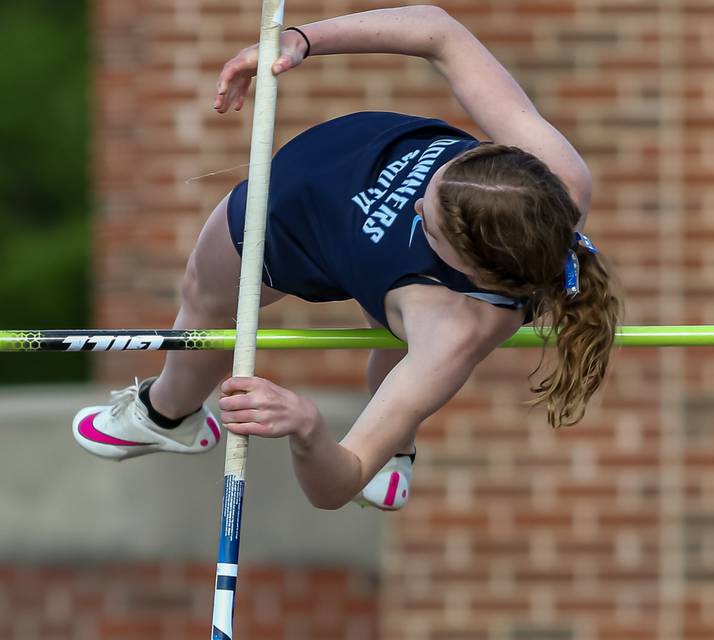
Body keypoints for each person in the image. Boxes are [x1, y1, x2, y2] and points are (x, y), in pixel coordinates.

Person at [73, 5, 622, 511]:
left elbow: (338, 484)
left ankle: (167, 414)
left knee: (215, 297)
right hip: (352, 160)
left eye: (423, 220)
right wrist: (302, 40)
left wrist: (308, 427)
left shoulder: (451, 330)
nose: (413, 197)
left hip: (297, 226)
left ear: (472, 268)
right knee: (392, 332)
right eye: (439, 176)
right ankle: (374, 440)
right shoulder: (557, 178)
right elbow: (439, 31)